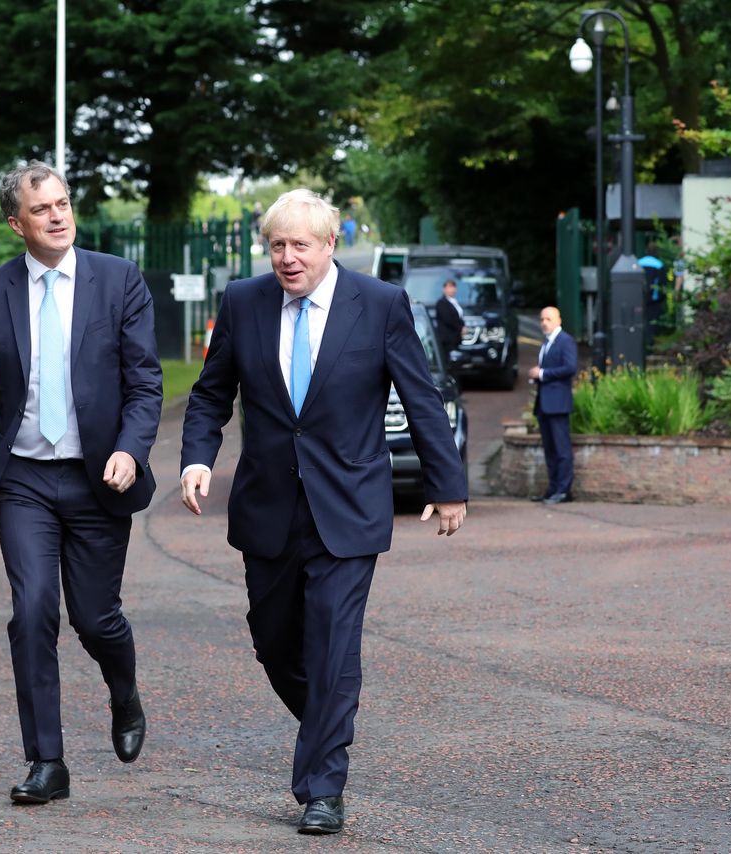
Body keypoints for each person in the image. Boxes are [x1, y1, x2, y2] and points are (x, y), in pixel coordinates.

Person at [179, 190, 467, 835]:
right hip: (268, 506)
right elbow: (208, 396)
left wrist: (448, 486)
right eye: (277, 245)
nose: (287, 258)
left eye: (300, 245)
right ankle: (330, 720)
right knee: (275, 642)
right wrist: (197, 458)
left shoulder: (381, 305)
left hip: (349, 506)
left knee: (334, 643)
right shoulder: (243, 303)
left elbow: (421, 399)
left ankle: (322, 787)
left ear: (330, 245)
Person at [0, 161, 162, 805]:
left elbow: (146, 383)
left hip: (99, 479)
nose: (59, 216)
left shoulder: (118, 280)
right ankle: (48, 761)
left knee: (96, 620)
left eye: (64, 204)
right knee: (33, 609)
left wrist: (130, 450)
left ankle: (123, 693)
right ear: (16, 222)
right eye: (42, 209)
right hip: (21, 482)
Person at [527, 306, 577, 505]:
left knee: (561, 449)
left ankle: (564, 490)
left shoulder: (565, 341)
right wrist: (536, 377)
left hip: (558, 404)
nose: (544, 323)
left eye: (548, 319)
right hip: (544, 403)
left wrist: (542, 374)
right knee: (550, 449)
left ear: (558, 320)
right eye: (541, 319)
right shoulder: (546, 343)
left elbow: (570, 367)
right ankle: (553, 488)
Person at [434, 278, 465, 359]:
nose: (452, 289)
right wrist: (461, 327)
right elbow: (448, 319)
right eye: (449, 287)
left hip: (456, 337)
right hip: (447, 338)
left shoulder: (454, 302)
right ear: (444, 289)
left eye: (453, 287)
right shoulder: (441, 303)